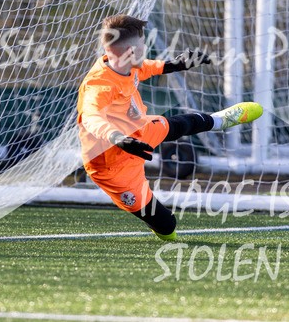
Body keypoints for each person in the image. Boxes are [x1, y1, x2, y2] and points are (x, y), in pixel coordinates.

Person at [77, 14, 262, 241]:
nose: (145, 48)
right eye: (143, 44)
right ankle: (162, 228)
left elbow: (146, 68)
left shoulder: (126, 65)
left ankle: (221, 121)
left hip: (140, 131)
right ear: (130, 52)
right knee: (166, 225)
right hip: (109, 164)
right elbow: (91, 118)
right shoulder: (100, 85)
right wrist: (119, 138)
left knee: (183, 123)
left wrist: (174, 65)